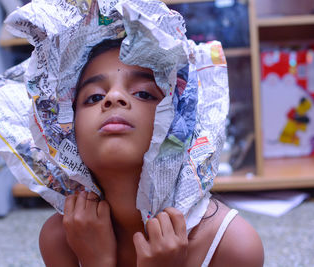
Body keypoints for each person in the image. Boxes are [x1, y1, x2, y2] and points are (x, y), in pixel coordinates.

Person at [38, 39, 264, 267]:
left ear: (183, 122)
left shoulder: (232, 246)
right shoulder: (60, 239)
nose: (113, 97)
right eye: (95, 97)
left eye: (144, 94)